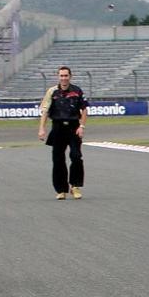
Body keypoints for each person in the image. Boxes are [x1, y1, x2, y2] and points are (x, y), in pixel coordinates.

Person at [38, 66, 89, 199]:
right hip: (58, 127)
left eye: (66, 75)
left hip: (74, 127)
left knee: (76, 156)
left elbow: (84, 109)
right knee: (58, 159)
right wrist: (42, 129)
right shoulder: (52, 91)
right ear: (58, 77)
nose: (64, 78)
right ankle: (61, 190)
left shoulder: (77, 91)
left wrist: (82, 126)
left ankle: (75, 186)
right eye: (61, 75)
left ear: (70, 76)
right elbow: (45, 111)